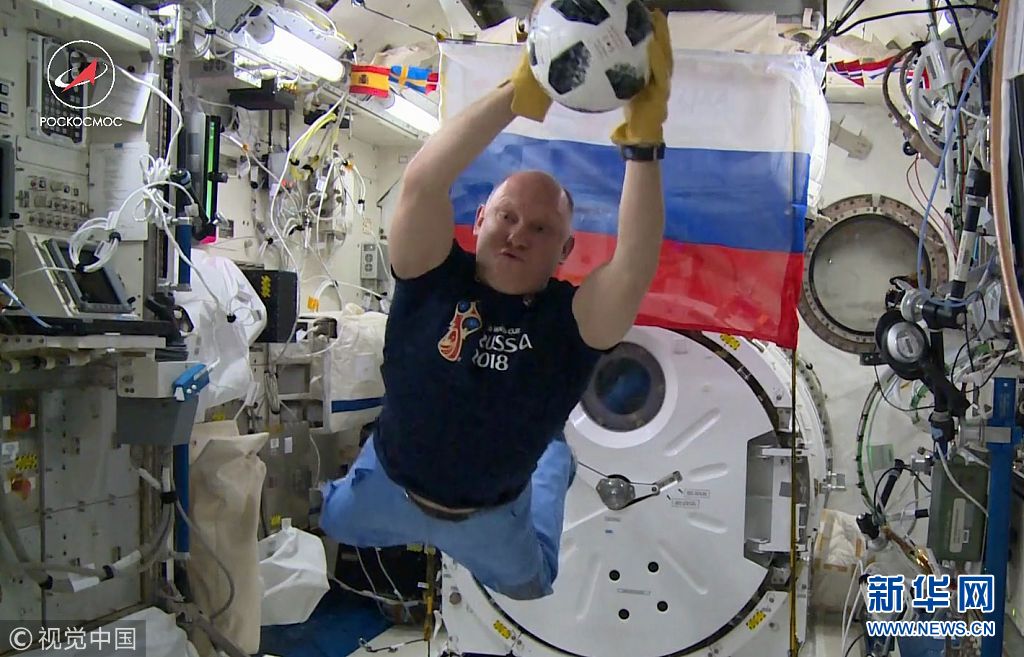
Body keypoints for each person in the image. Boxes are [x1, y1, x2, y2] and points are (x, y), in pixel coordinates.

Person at [320, 10, 673, 600]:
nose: (517, 235)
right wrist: (521, 91)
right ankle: (549, 454)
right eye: (506, 216)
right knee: (332, 520)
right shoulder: (432, 274)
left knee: (533, 584)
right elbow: (423, 183)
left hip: (490, 520)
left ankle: (553, 460)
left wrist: (644, 143)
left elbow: (634, 263)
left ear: (565, 250)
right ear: (480, 219)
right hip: (386, 486)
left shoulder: (572, 323)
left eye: (540, 228)